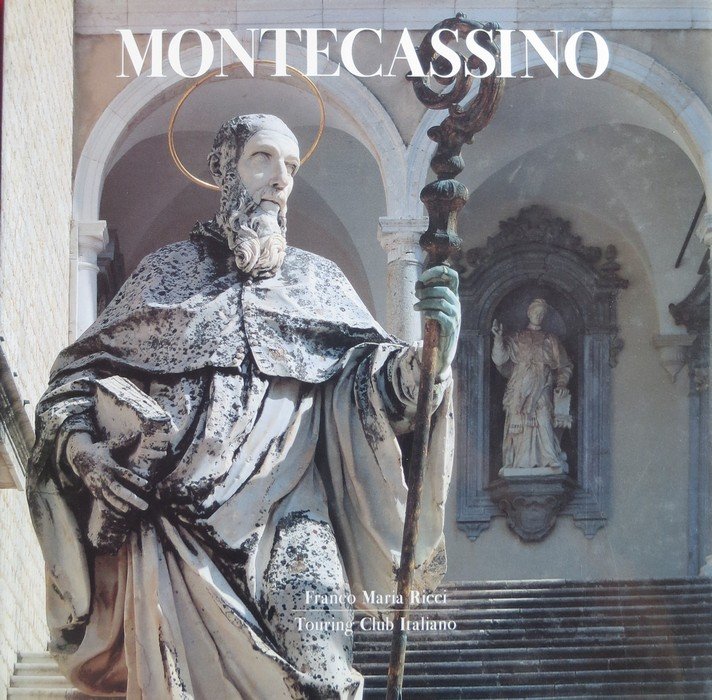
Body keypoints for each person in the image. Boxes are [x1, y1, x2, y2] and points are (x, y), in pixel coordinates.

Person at [27, 114, 459, 699]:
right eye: (263, 158)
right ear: (222, 168)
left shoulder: (318, 283)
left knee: (325, 672)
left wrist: (430, 360)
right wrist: (86, 457)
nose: (281, 179)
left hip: (291, 513)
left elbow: (375, 391)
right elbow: (75, 382)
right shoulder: (165, 274)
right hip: (173, 527)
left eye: (292, 167)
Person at [491, 298, 572, 475]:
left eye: (542, 313)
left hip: (542, 387)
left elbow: (564, 366)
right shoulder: (516, 337)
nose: (538, 315)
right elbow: (500, 359)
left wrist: (561, 383)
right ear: (529, 313)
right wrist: (498, 339)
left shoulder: (551, 340)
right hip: (519, 389)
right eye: (536, 312)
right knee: (520, 425)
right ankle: (517, 463)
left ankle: (550, 458)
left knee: (544, 420)